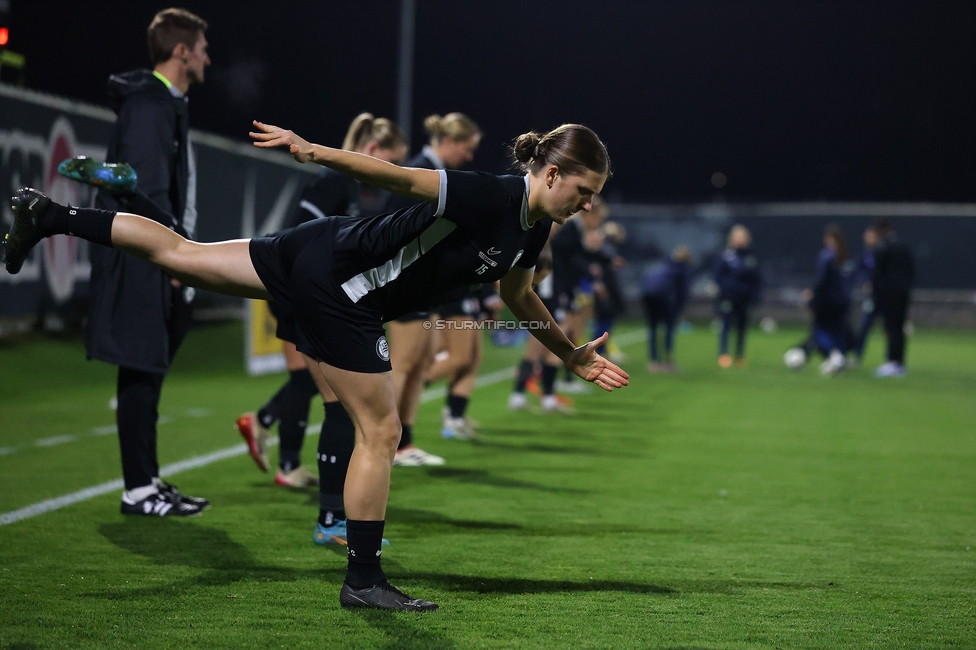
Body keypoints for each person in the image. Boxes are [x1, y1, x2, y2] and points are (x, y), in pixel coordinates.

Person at [3, 120, 628, 611]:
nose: (586, 205)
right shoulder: (492, 195)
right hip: (343, 287)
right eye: (583, 192)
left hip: (326, 254)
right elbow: (398, 178)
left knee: (182, 256)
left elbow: (516, 297)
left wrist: (569, 353)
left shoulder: (533, 230)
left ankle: (49, 214)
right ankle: (363, 579)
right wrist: (315, 150)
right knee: (382, 431)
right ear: (551, 172)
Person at [61, 9, 211, 517]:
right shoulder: (151, 107)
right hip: (147, 254)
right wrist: (172, 255)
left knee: (149, 369)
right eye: (203, 47)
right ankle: (138, 488)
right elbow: (144, 193)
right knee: (142, 367)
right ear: (182, 51)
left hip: (158, 252)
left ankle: (146, 480)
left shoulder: (163, 104)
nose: (208, 56)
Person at [235, 113, 408, 490]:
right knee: (315, 387)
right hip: (299, 289)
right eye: (392, 161)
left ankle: (266, 426)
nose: (392, 171)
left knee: (313, 384)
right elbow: (299, 233)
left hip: (320, 295)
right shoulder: (335, 181)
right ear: (373, 150)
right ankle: (297, 472)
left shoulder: (360, 189)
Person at [387, 112, 487, 444]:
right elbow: (395, 227)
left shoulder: (436, 174)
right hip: (408, 279)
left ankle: (404, 441)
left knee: (421, 363)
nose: (469, 157)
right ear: (450, 141)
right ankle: (385, 437)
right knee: (404, 364)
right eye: (467, 149)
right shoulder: (420, 172)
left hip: (425, 282)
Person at [807, 224, 854, 376]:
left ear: (829, 238)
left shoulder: (827, 255)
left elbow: (821, 281)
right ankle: (840, 360)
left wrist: (813, 297)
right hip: (844, 301)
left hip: (827, 301)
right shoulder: (846, 256)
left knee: (819, 331)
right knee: (839, 331)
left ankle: (834, 356)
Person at [871, 218, 915, 377]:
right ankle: (899, 362)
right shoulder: (904, 247)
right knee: (899, 329)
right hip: (903, 293)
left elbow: (878, 274)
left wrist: (877, 294)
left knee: (891, 329)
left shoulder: (884, 248)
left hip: (889, 295)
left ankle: (892, 362)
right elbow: (911, 271)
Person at [714, 225, 761, 368]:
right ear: (732, 239)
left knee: (742, 328)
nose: (741, 240)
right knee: (725, 326)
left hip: (744, 299)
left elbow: (757, 279)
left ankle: (739, 356)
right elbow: (719, 277)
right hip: (728, 298)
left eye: (744, 238)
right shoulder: (726, 257)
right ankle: (724, 354)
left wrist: (754, 296)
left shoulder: (751, 257)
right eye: (739, 237)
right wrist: (724, 293)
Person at [641, 245, 692, 372]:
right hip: (665, 299)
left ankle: (653, 361)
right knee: (669, 329)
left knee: (653, 329)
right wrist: (679, 311)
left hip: (648, 296)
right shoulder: (682, 269)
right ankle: (667, 362)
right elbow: (682, 292)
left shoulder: (662, 265)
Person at [849, 225, 878, 365]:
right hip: (869, 296)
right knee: (863, 326)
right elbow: (857, 271)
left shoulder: (880, 252)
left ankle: (893, 361)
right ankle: (856, 355)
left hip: (881, 295)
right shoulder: (863, 253)